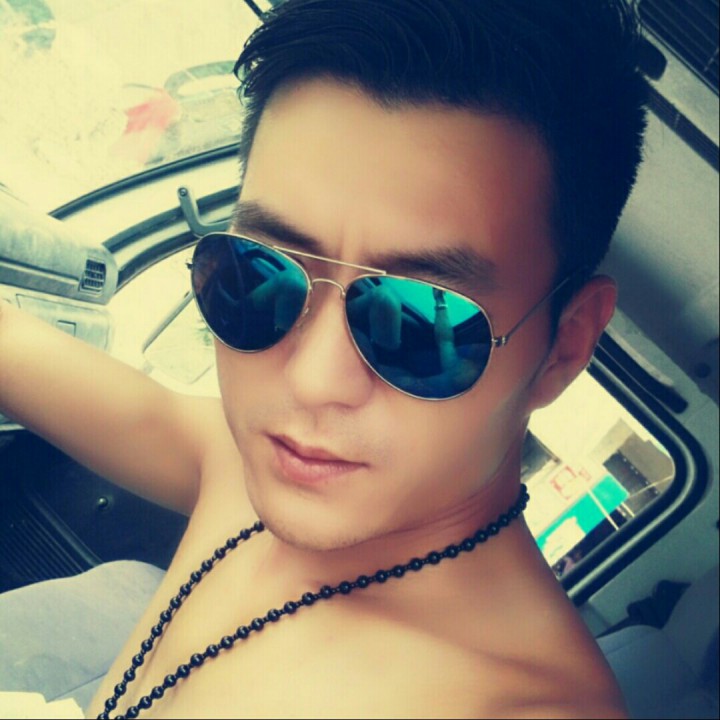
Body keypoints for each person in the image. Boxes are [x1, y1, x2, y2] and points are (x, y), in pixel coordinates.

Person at [0, 0, 649, 717]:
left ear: (565, 346)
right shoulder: (240, 466)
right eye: (256, 275)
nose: (311, 381)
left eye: (419, 326)